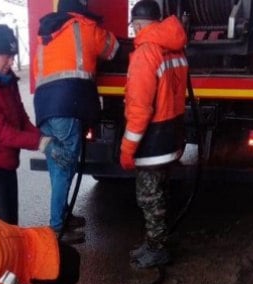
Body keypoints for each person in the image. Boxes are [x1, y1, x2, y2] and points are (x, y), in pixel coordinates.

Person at [0, 24, 71, 225]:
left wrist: (46, 138)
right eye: (7, 56)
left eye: (14, 57)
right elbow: (1, 132)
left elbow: (21, 120)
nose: (11, 62)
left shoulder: (7, 80)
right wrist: (40, 143)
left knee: (10, 227)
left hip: (7, 164)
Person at [32, 0, 120, 244]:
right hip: (67, 104)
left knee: (57, 165)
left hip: (44, 106)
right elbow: (112, 49)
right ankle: (57, 227)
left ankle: (63, 214)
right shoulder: (84, 26)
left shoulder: (46, 31)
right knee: (64, 167)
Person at [120, 1, 188, 269]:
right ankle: (153, 242)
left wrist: (127, 149)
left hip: (153, 139)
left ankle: (157, 248)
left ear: (137, 25)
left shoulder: (146, 53)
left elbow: (139, 109)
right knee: (160, 191)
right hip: (172, 132)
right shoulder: (174, 47)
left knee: (149, 197)